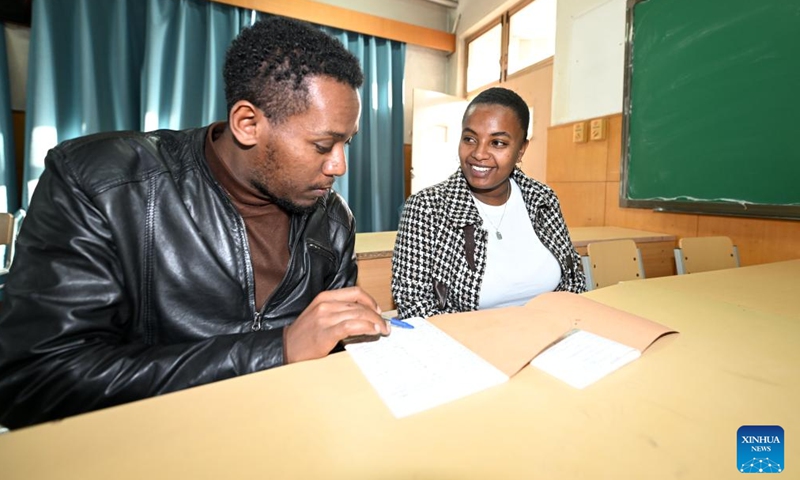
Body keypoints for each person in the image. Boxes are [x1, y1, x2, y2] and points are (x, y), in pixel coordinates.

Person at [0, 17, 390, 430]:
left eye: (347, 142)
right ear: (247, 123)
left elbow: (328, 361)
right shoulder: (101, 183)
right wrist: (278, 349)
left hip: (290, 435)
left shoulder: (333, 219)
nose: (339, 166)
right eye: (322, 145)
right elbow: (34, 379)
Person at [391, 87, 585, 319]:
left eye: (498, 143)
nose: (479, 153)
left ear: (521, 150)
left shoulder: (542, 199)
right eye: (470, 139)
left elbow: (573, 280)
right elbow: (414, 304)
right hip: (464, 343)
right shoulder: (427, 208)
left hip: (549, 334)